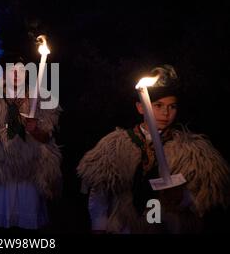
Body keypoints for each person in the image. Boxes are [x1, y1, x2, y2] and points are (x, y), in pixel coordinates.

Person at [77, 65, 230, 233]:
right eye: (158, 105)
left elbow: (206, 196)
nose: (166, 112)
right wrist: (98, 226)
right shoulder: (115, 144)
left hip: (168, 227)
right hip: (125, 227)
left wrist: (182, 198)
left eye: (172, 106)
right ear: (141, 107)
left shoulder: (191, 150)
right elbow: (100, 193)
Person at [0, 60, 62, 230]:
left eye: (20, 70)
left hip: (29, 169)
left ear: (26, 75)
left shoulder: (39, 99)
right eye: (12, 70)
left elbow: (47, 137)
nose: (16, 73)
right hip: (1, 168)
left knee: (27, 220)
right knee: (1, 222)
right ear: (4, 75)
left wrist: (35, 130)